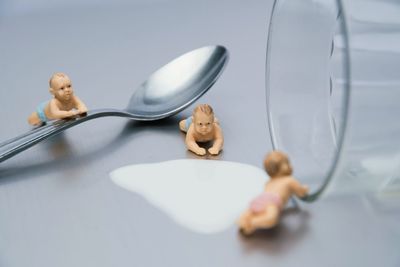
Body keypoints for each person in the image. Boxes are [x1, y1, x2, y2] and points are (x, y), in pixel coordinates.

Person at [238, 151, 309, 235]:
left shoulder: (269, 182)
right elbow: (301, 193)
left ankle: (244, 222)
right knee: (271, 218)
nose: (290, 166)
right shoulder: (289, 180)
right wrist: (305, 189)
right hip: (272, 201)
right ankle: (252, 223)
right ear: (283, 167)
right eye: (287, 162)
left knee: (252, 211)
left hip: (259, 199)